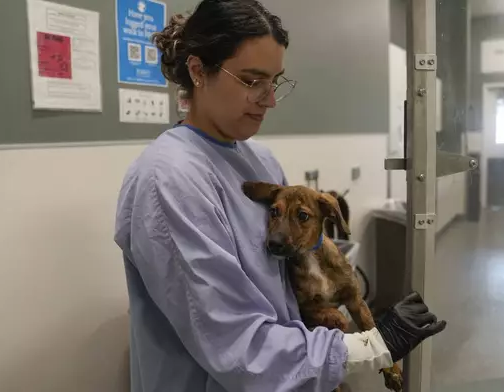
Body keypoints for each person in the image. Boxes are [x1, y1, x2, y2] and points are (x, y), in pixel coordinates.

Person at [114, 1, 446, 391]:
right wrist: (370, 345)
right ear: (198, 71)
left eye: (275, 82)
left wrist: (327, 307)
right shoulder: (168, 179)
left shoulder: (260, 159)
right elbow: (237, 346)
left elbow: (284, 290)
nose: (270, 100)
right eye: (252, 81)